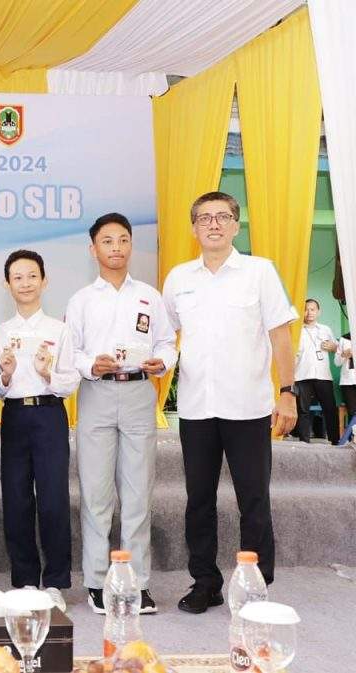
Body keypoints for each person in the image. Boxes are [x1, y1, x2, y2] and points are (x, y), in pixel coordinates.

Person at [162, 191, 297, 614]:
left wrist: (288, 391)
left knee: (253, 500)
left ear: (237, 225)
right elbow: (166, 337)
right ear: (194, 228)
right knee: (198, 501)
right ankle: (205, 583)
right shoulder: (179, 278)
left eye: (223, 216)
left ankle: (255, 585)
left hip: (248, 407)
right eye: (204, 218)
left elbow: (280, 334)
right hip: (197, 408)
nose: (214, 224)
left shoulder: (259, 272)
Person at [65, 214, 178, 615]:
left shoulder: (149, 296)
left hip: (138, 394)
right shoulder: (81, 300)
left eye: (123, 240)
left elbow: (167, 343)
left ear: (131, 245)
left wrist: (162, 363)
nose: (116, 247)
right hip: (96, 393)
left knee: (137, 494)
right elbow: (72, 351)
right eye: (107, 240)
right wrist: (89, 365)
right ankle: (97, 582)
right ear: (93, 248)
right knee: (96, 494)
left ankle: (136, 582)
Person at [0, 249, 80, 612]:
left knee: (53, 498)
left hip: (49, 415)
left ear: (44, 281)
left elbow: (70, 382)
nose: (25, 283)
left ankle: (56, 581)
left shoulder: (59, 330)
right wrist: (7, 374)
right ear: (7, 284)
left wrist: (47, 373)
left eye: (32, 276)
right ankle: (25, 579)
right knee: (16, 499)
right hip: (14, 417)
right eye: (18, 277)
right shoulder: (0, 332)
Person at [294, 298, 340, 444]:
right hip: (302, 375)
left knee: (330, 408)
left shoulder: (326, 330)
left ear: (318, 312)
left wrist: (334, 347)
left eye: (312, 309)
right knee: (303, 410)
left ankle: (335, 440)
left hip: (323, 375)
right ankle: (304, 442)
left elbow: (337, 348)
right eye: (306, 309)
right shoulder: (296, 330)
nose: (309, 313)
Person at [334, 332, 355, 430]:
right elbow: (337, 362)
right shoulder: (344, 339)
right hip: (348, 381)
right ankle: (353, 436)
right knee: (352, 412)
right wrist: (343, 355)